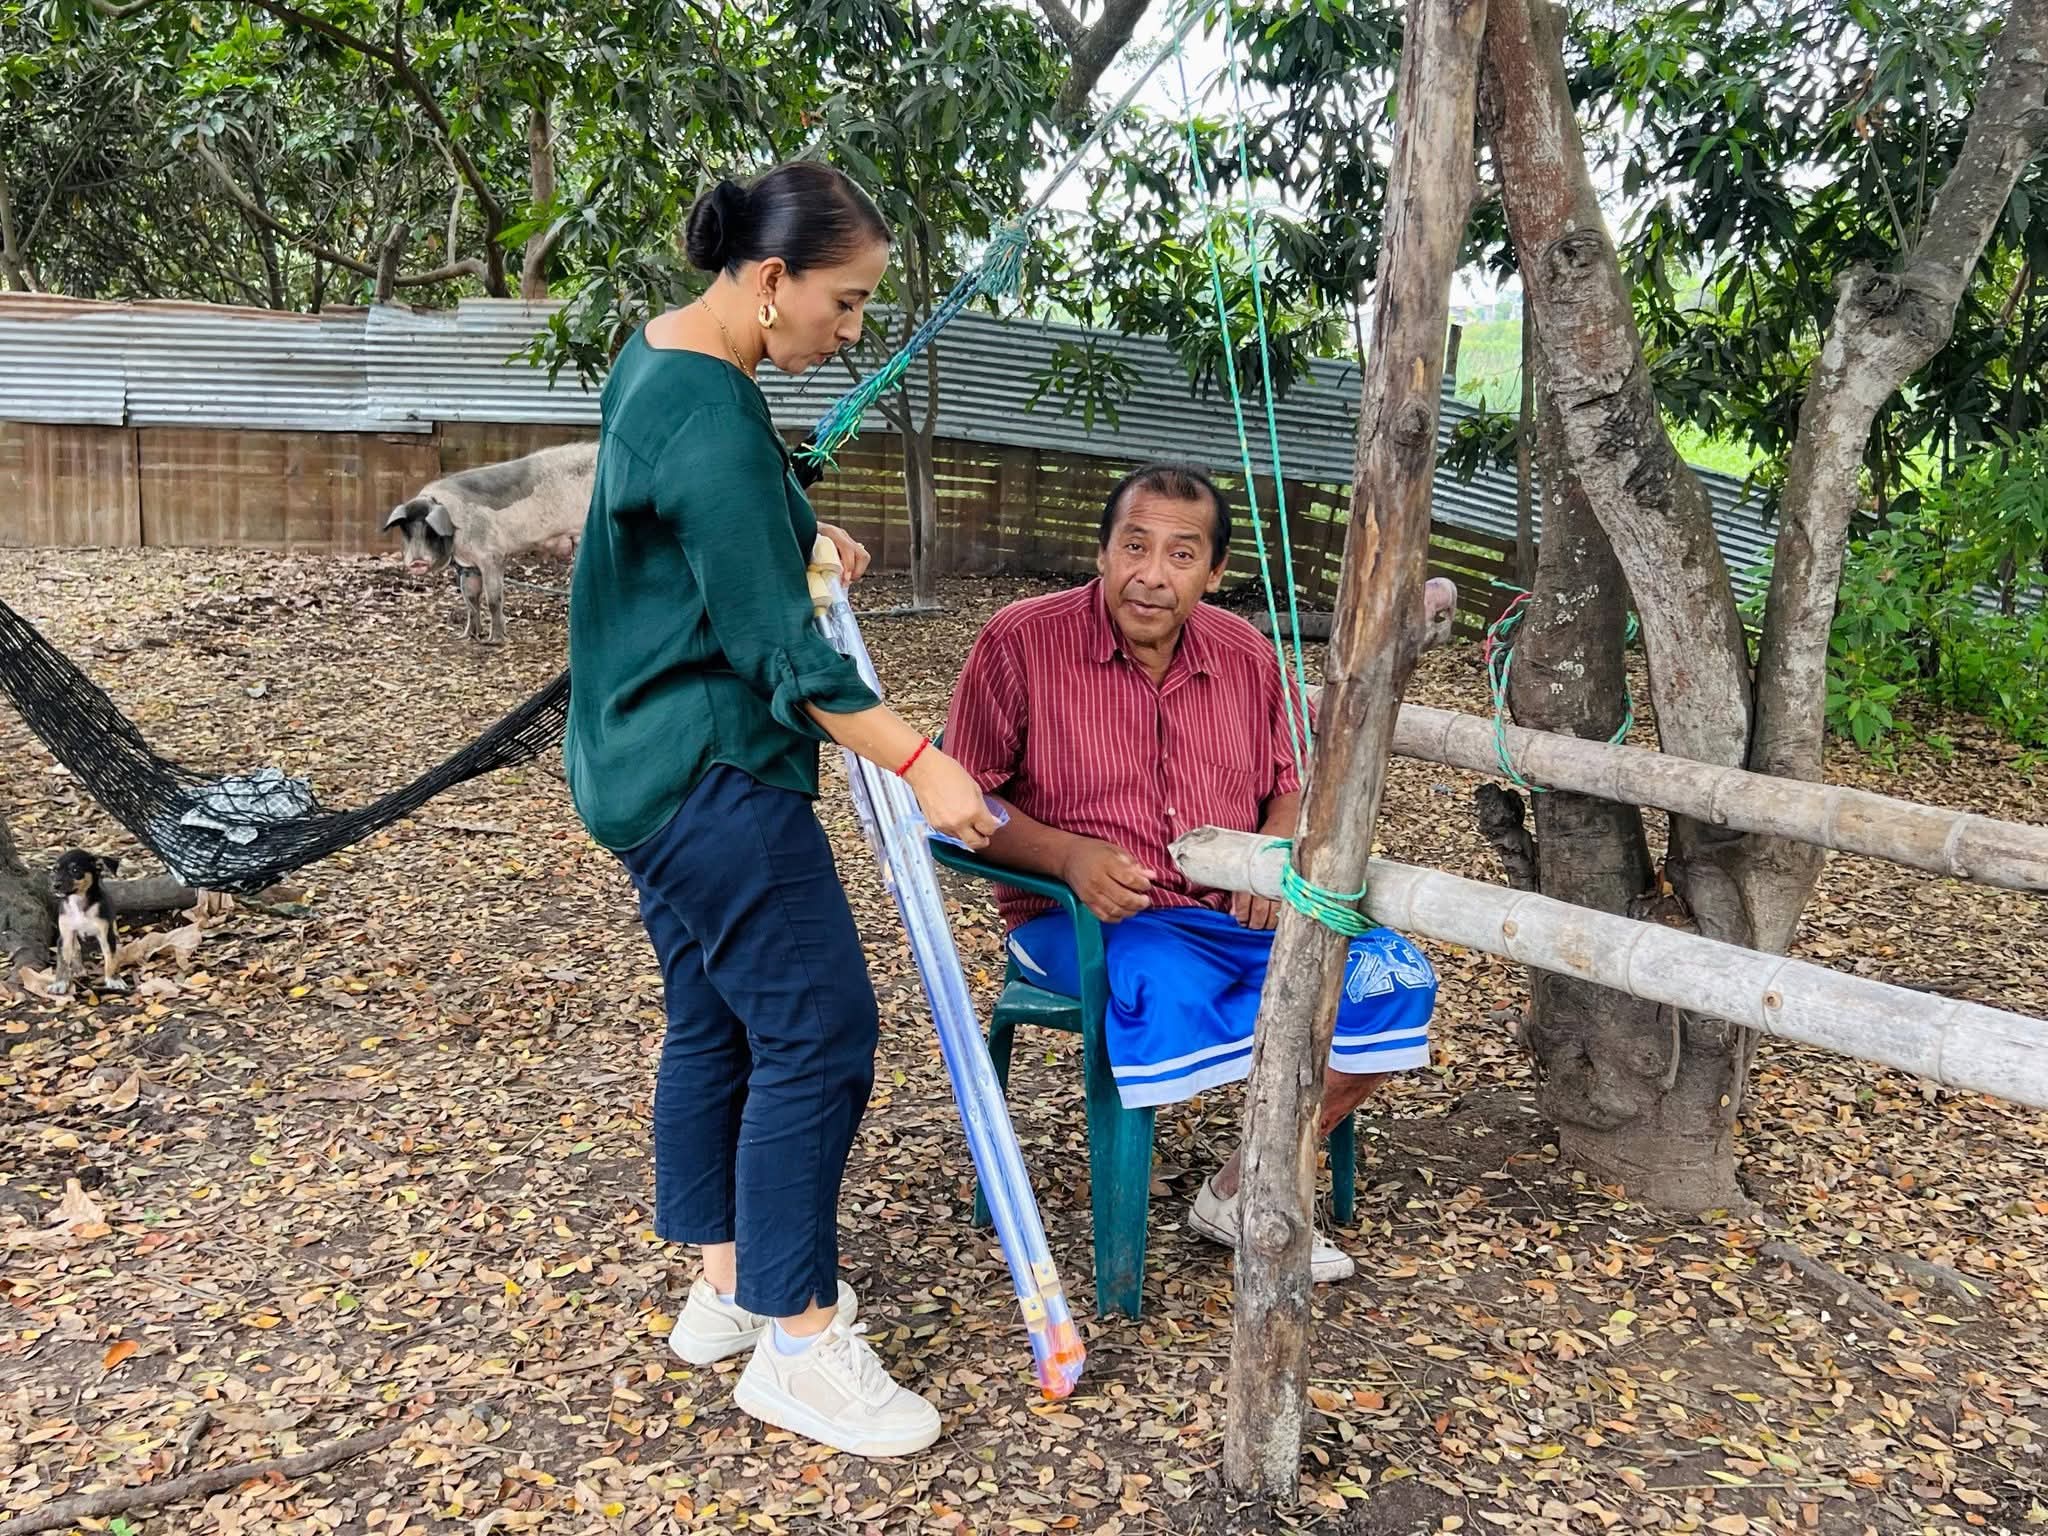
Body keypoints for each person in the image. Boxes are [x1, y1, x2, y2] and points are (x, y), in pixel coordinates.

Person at [564, 161, 998, 1459]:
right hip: (711, 774)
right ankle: (800, 1347)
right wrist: (923, 763)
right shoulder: (711, 415)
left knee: (718, 1017)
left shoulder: (666, 355)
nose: (853, 329)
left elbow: (705, 510)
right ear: (769, 280)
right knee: (818, 1030)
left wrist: (795, 525)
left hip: (632, 765)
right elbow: (782, 657)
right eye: (845, 301)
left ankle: (727, 1292)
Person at [941, 463, 1439, 1283]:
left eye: (1181, 554)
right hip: (1081, 921)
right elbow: (961, 798)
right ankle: (1195, 1195)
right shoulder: (1020, 640)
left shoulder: (1247, 652)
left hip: (1231, 911)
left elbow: (1294, 784)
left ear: (1212, 571)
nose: (1151, 574)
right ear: (1101, 553)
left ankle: (1243, 1189)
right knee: (1162, 978)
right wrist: (1066, 856)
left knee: (1390, 973)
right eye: (1134, 546)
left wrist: (1269, 856)